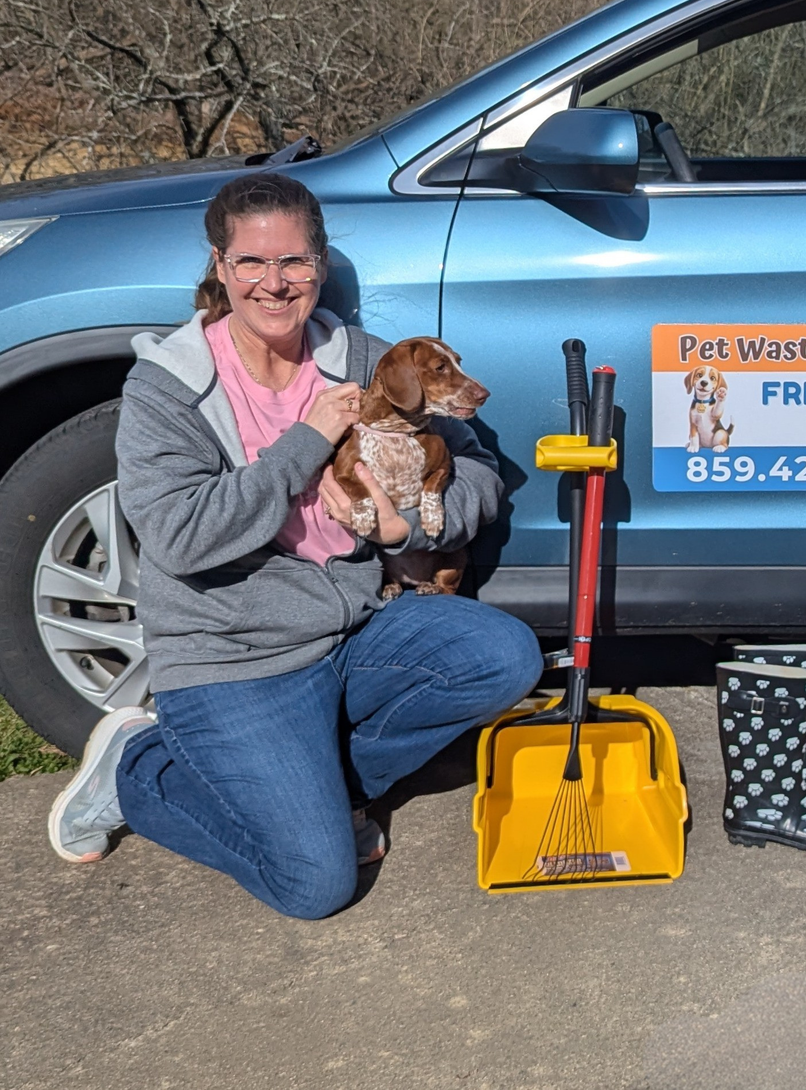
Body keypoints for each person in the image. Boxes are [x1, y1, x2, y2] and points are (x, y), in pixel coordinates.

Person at [46, 172, 540, 919]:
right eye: (252, 262)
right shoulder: (169, 389)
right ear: (220, 268)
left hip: (351, 623)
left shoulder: (361, 357)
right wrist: (305, 440)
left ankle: (325, 782)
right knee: (315, 883)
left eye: (295, 263)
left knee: (505, 656)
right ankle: (137, 769)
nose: (274, 284)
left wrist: (416, 526)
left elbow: (474, 463)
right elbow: (180, 536)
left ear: (319, 264)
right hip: (233, 655)